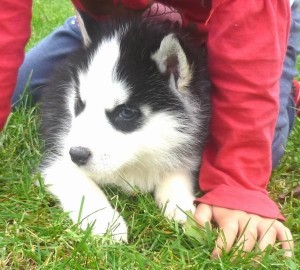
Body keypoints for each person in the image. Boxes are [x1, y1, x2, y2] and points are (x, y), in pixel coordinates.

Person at [1, 0, 299, 258]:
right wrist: (96, 212)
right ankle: (111, 43)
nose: (78, 144)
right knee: (21, 86)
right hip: (111, 27)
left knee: (255, 146)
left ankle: (284, 92)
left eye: (126, 113)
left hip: (246, 26)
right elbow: (59, 170)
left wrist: (237, 185)